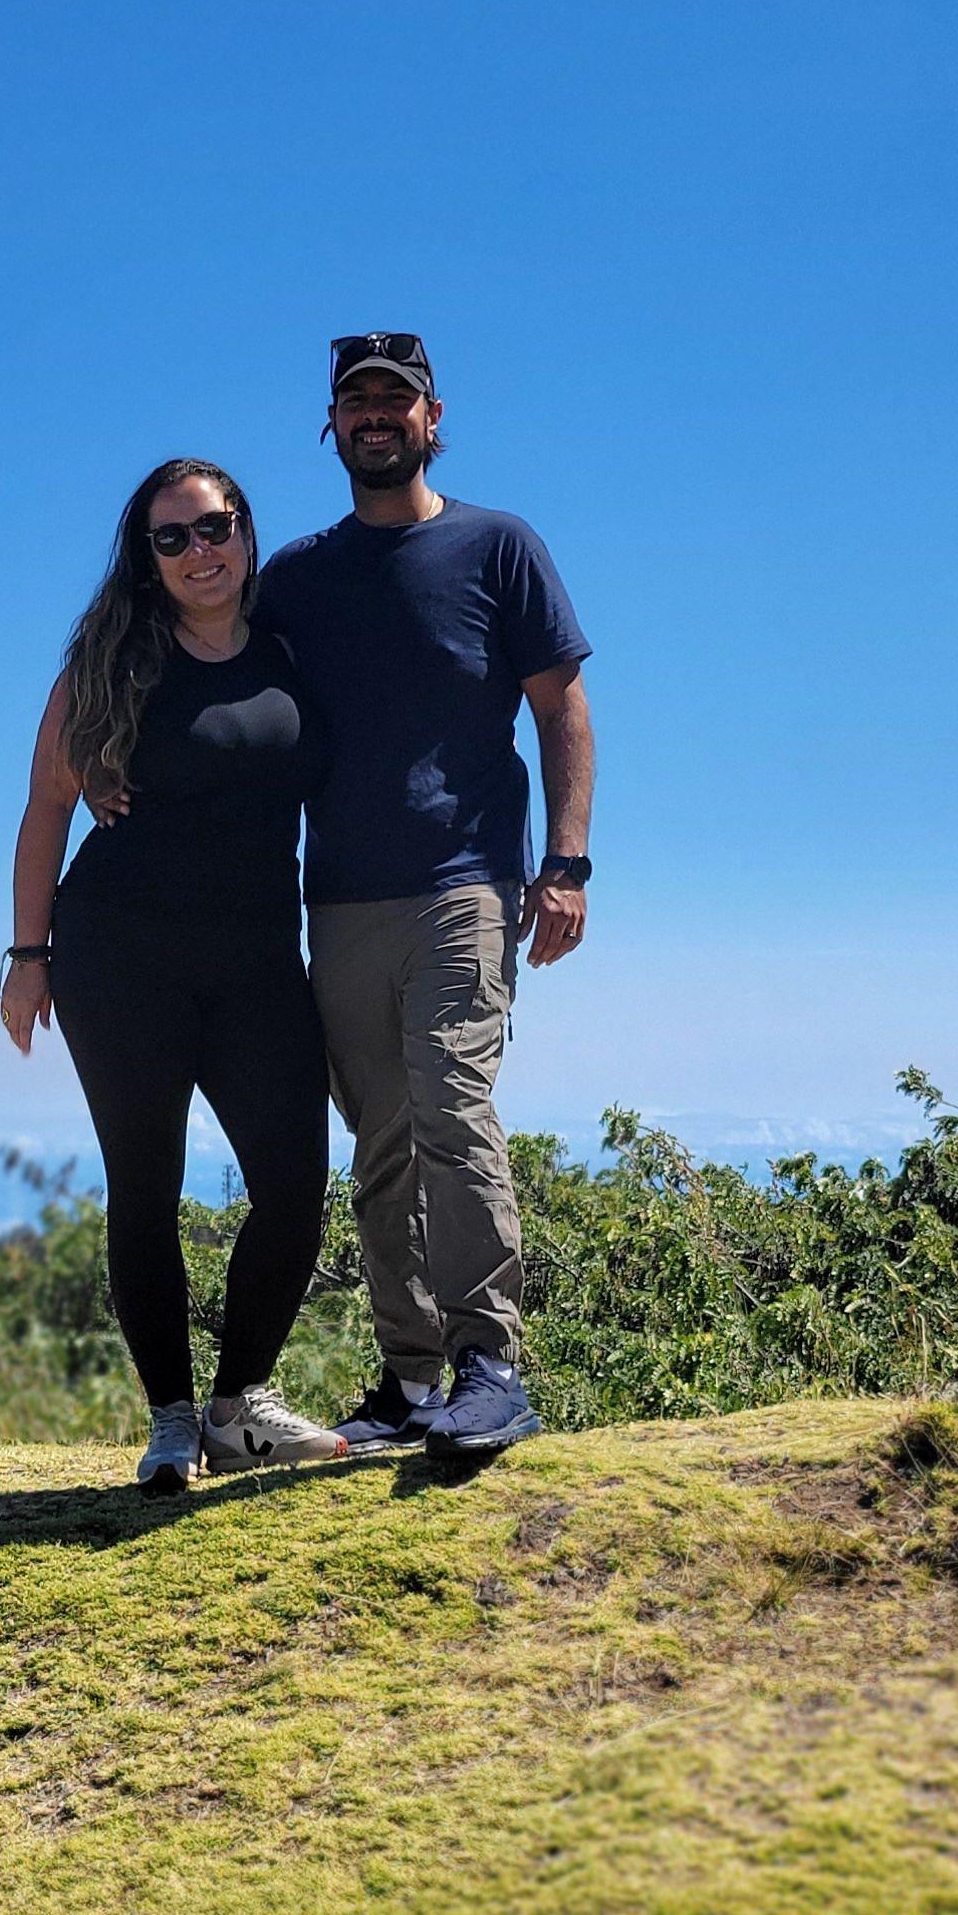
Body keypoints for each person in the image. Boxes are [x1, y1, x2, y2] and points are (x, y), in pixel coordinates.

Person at [254, 331, 594, 1460]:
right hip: (339, 897)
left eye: (395, 402)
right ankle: (409, 1380)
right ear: (332, 429)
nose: (376, 418)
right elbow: (213, 679)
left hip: (467, 885)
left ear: (433, 419)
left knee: (453, 1110)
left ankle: (489, 1364)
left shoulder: (499, 548)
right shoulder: (296, 577)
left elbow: (561, 709)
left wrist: (568, 862)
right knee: (382, 1144)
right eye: (356, 403)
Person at [0, 456, 360, 1490]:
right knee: (143, 1191)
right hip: (121, 961)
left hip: (256, 966)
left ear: (246, 534)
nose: (199, 552)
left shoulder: (293, 658)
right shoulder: (110, 668)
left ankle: (240, 1404)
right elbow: (45, 813)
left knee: (295, 1186)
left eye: (215, 528)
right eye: (173, 537)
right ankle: (168, 1423)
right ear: (146, 558)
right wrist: (29, 959)